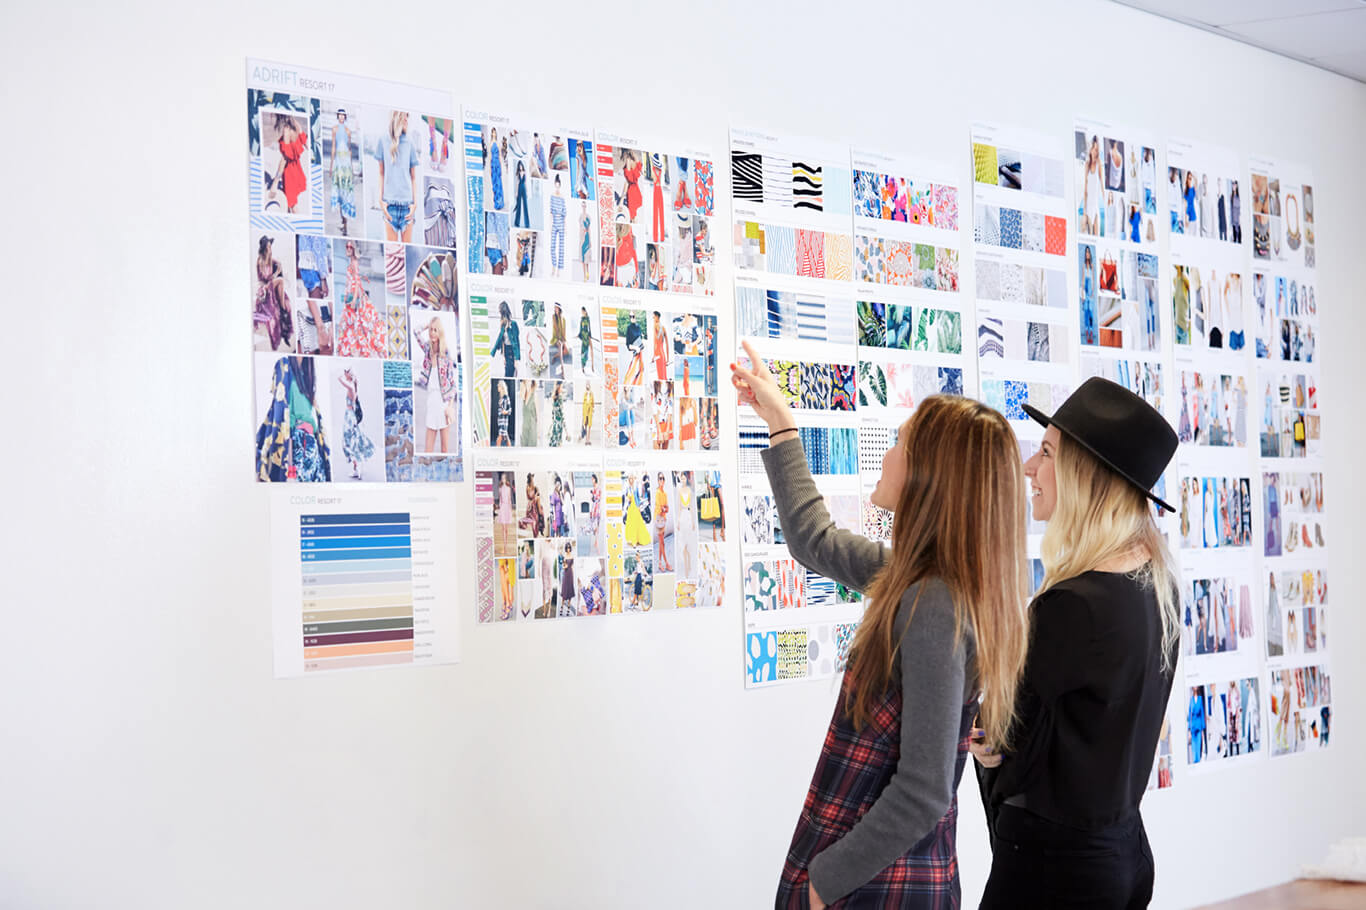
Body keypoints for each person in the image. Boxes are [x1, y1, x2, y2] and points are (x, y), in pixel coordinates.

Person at [731, 341, 1029, 908]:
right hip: (887, 878)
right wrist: (781, 423)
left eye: (898, 443)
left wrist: (825, 881)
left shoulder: (933, 603)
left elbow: (924, 790)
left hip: (882, 887)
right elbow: (813, 540)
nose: (887, 455)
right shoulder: (921, 579)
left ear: (928, 477)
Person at [972, 377, 1180, 909]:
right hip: (1124, 855)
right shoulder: (1158, 588)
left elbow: (1002, 743)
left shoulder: (1071, 605)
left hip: (1055, 871)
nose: (1029, 468)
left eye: (1046, 453)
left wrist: (981, 731)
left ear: (1085, 475)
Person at [413, 316, 457, 454]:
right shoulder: (427, 349)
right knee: (428, 449)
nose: (432, 333)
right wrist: (428, 324)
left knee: (444, 449)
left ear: (440, 332)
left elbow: (452, 382)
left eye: (435, 330)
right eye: (431, 330)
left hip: (444, 403)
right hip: (431, 401)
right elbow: (415, 332)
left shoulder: (446, 353)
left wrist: (450, 407)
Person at [376, 111, 419, 243]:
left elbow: (413, 177)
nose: (406, 119)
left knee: (408, 251)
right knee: (393, 252)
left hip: (407, 207)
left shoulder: (410, 142)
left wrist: (415, 203)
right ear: (397, 116)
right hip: (390, 206)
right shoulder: (383, 140)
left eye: (408, 116)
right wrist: (380, 201)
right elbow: (381, 173)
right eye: (404, 115)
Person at [336, 241, 383, 358]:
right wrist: (347, 294)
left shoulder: (354, 262)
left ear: (353, 249)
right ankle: (352, 348)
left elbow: (357, 282)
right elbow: (350, 281)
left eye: (350, 247)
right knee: (349, 322)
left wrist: (354, 298)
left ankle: (359, 348)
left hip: (354, 295)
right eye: (346, 247)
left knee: (357, 321)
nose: (347, 249)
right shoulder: (350, 262)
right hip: (350, 293)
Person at [254, 236, 293, 351]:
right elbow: (266, 279)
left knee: (286, 300)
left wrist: (279, 267)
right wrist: (276, 274)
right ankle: (282, 309)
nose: (270, 249)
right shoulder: (260, 260)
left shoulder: (272, 260)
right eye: (268, 247)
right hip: (265, 288)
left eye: (270, 247)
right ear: (264, 249)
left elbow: (278, 266)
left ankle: (285, 328)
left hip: (271, 286)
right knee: (280, 281)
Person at [337, 368, 374, 479]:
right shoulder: (353, 386)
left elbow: (339, 379)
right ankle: (357, 467)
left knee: (348, 442)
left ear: (349, 374)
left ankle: (357, 467)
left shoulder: (351, 387)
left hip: (349, 416)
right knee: (354, 441)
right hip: (351, 415)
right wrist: (349, 375)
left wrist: (345, 375)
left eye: (346, 372)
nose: (344, 373)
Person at [330, 109, 357, 235]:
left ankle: (345, 223)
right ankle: (343, 222)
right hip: (338, 164)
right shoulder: (334, 129)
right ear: (338, 116)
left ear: (345, 117)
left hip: (346, 165)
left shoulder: (348, 131)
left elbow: (349, 149)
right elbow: (333, 147)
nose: (341, 117)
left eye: (343, 115)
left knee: (346, 193)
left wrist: (352, 169)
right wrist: (331, 166)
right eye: (339, 115)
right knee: (340, 193)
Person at [274, 115, 308, 214]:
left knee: (292, 206)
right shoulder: (296, 125)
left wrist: (275, 182)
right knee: (292, 204)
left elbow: (284, 159)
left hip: (289, 174)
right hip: (297, 170)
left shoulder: (286, 130)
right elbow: (306, 144)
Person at [491, 300, 521, 378]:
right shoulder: (503, 325)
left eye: (501, 313)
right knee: (508, 374)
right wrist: (503, 356)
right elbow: (501, 341)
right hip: (506, 352)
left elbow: (516, 342)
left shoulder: (513, 324)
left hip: (512, 353)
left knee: (509, 375)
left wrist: (516, 359)